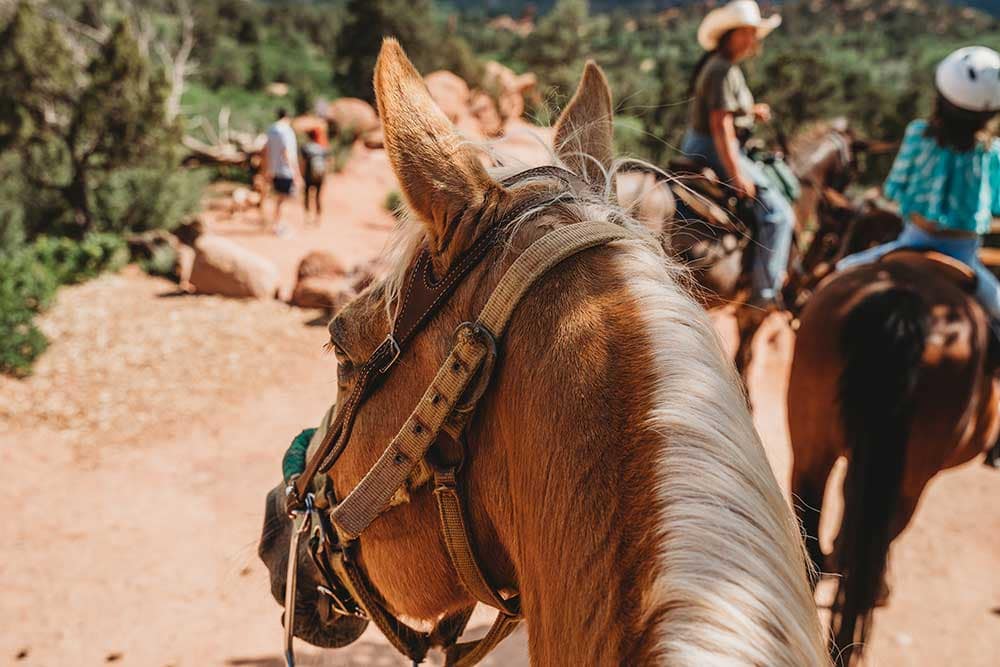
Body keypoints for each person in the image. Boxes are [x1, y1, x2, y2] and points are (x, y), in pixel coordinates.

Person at [835, 46, 1000, 469]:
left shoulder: (916, 134)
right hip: (965, 257)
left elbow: (894, 190)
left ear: (940, 96)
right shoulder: (992, 154)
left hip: (907, 243)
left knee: (837, 278)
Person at [681, 0, 794, 310]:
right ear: (729, 35)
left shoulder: (724, 67)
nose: (752, 41)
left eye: (753, 34)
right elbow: (721, 128)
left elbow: (728, 112)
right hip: (713, 147)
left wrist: (751, 111)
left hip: (710, 142)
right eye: (746, 33)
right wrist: (736, 174)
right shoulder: (721, 70)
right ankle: (766, 294)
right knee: (779, 214)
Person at [263, 108, 302, 236]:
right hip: (285, 171)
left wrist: (266, 169)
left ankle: (277, 224)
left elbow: (266, 150)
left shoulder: (271, 129)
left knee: (279, 199)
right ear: (287, 117)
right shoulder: (286, 131)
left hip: (274, 170)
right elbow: (287, 152)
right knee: (283, 200)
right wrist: (296, 173)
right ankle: (278, 226)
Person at [300, 127, 329, 224]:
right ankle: (318, 218)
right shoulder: (322, 148)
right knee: (318, 197)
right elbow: (327, 163)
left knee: (307, 196)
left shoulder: (305, 147)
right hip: (320, 176)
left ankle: (307, 216)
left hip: (308, 176)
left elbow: (303, 163)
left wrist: (301, 175)